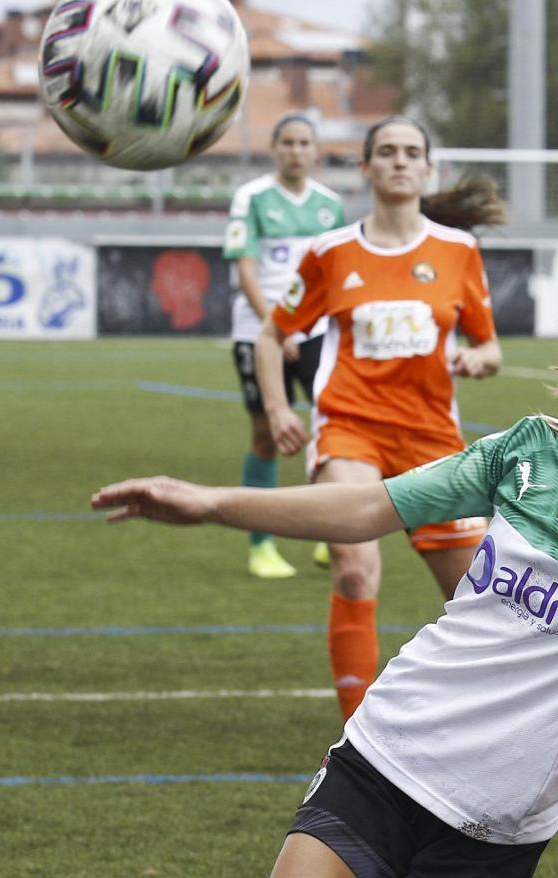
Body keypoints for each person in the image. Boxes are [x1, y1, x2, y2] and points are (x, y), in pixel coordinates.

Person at [92, 290, 558, 878]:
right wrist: (210, 503)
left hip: (495, 824)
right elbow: (368, 507)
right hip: (382, 752)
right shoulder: (527, 451)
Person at [256, 115, 507, 719]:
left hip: (432, 439)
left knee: (474, 595)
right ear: (365, 168)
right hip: (350, 430)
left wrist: (479, 359)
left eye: (411, 152)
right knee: (354, 565)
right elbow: (272, 337)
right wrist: (277, 409)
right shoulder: (331, 253)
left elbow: (491, 346)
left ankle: (472, 719)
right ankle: (354, 734)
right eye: (387, 152)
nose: (399, 160)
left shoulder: (459, 252)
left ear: (427, 170)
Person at [222, 112, 345, 579]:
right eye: (288, 142)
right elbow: (246, 268)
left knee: (334, 430)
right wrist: (279, 327)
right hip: (260, 332)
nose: (296, 151)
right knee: (266, 434)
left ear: (315, 151)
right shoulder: (250, 198)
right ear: (275, 148)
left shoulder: (330, 205)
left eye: (304, 143)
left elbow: (335, 274)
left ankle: (329, 533)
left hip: (317, 334)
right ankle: (261, 545)